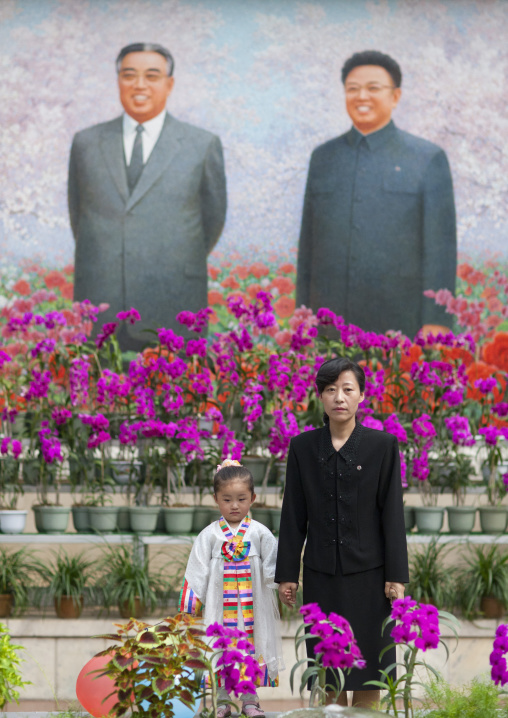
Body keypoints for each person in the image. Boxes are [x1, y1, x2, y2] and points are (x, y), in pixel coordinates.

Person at [68, 42, 227, 352]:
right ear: (118, 81)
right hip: (101, 302)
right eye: (129, 75)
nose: (139, 85)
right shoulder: (86, 143)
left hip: (173, 300)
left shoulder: (201, 144)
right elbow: (80, 217)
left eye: (151, 76)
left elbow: (212, 221)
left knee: (177, 398)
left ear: (169, 84)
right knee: (95, 398)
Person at [275, 357, 408, 709]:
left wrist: (397, 575)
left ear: (361, 395)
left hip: (371, 577)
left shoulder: (382, 446)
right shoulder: (302, 448)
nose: (339, 397)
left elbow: (392, 515)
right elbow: (293, 515)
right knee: (328, 669)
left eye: (348, 389)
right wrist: (287, 574)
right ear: (320, 396)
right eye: (331, 390)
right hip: (321, 576)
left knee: (370, 669)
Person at [296, 50, 457, 339]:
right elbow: (308, 244)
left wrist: (437, 321)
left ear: (395, 97)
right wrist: (303, 315)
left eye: (373, 88)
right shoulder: (323, 157)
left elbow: (440, 249)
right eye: (353, 89)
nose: (362, 97)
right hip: (329, 325)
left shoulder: (427, 158)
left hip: (399, 324)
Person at [179, 459, 284, 717]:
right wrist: (192, 602)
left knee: (250, 646)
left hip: (252, 607)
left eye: (241, 498)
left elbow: (273, 565)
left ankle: (250, 700)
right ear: (216, 498)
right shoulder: (210, 535)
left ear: (253, 498)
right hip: (219, 606)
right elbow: (197, 567)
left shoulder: (259, 533)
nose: (234, 505)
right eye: (227, 499)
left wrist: (282, 586)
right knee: (221, 646)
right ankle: (222, 701)